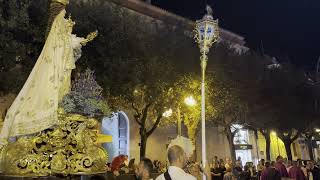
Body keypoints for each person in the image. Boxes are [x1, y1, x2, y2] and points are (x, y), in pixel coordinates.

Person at [0, 0, 96, 145]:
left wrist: (80, 40)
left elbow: (67, 41)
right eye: (63, 16)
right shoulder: (56, 38)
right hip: (56, 69)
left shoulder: (60, 36)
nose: (66, 21)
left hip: (61, 70)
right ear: (58, 15)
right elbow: (64, 41)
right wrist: (76, 40)